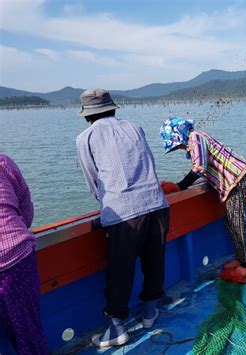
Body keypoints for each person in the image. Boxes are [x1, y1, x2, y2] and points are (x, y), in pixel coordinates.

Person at [76, 89, 169, 347]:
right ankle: (150, 312)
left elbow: (92, 179)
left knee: (120, 269)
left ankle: (117, 327)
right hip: (156, 204)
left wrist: (106, 207)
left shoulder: (86, 137)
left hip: (123, 214)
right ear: (114, 109)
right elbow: (148, 162)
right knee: (154, 261)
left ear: (86, 116)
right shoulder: (135, 127)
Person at [160, 118, 246, 282]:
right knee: (231, 220)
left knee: (236, 221)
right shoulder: (195, 140)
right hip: (234, 182)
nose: (179, 148)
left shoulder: (195, 137)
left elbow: (199, 167)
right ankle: (241, 257)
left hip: (238, 179)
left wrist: (180, 186)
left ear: (180, 135)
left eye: (177, 144)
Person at [0, 153, 48, 354]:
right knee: (28, 331)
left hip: (11, 255)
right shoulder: (3, 162)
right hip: (15, 256)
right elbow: (25, 206)